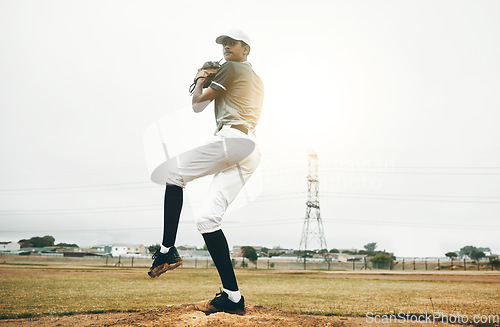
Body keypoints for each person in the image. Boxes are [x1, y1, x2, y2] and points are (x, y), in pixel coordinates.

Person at [147, 29, 264, 315]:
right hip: (250, 148)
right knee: (208, 219)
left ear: (246, 49)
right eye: (224, 43)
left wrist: (201, 79)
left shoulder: (232, 67)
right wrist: (216, 76)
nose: (226, 46)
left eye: (232, 43)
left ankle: (166, 251)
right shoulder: (254, 77)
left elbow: (198, 104)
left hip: (232, 140)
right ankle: (233, 298)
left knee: (174, 175)